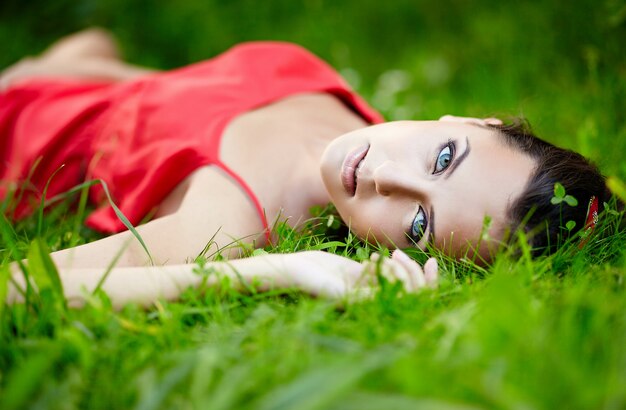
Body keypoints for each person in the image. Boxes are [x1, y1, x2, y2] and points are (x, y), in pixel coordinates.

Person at [1, 29, 613, 308]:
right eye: (443, 159)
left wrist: (286, 267)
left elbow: (18, 288)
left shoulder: (232, 218)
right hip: (82, 84)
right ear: (471, 120)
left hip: (15, 127)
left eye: (418, 223)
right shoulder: (348, 115)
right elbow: (181, 91)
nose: (383, 180)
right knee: (95, 38)